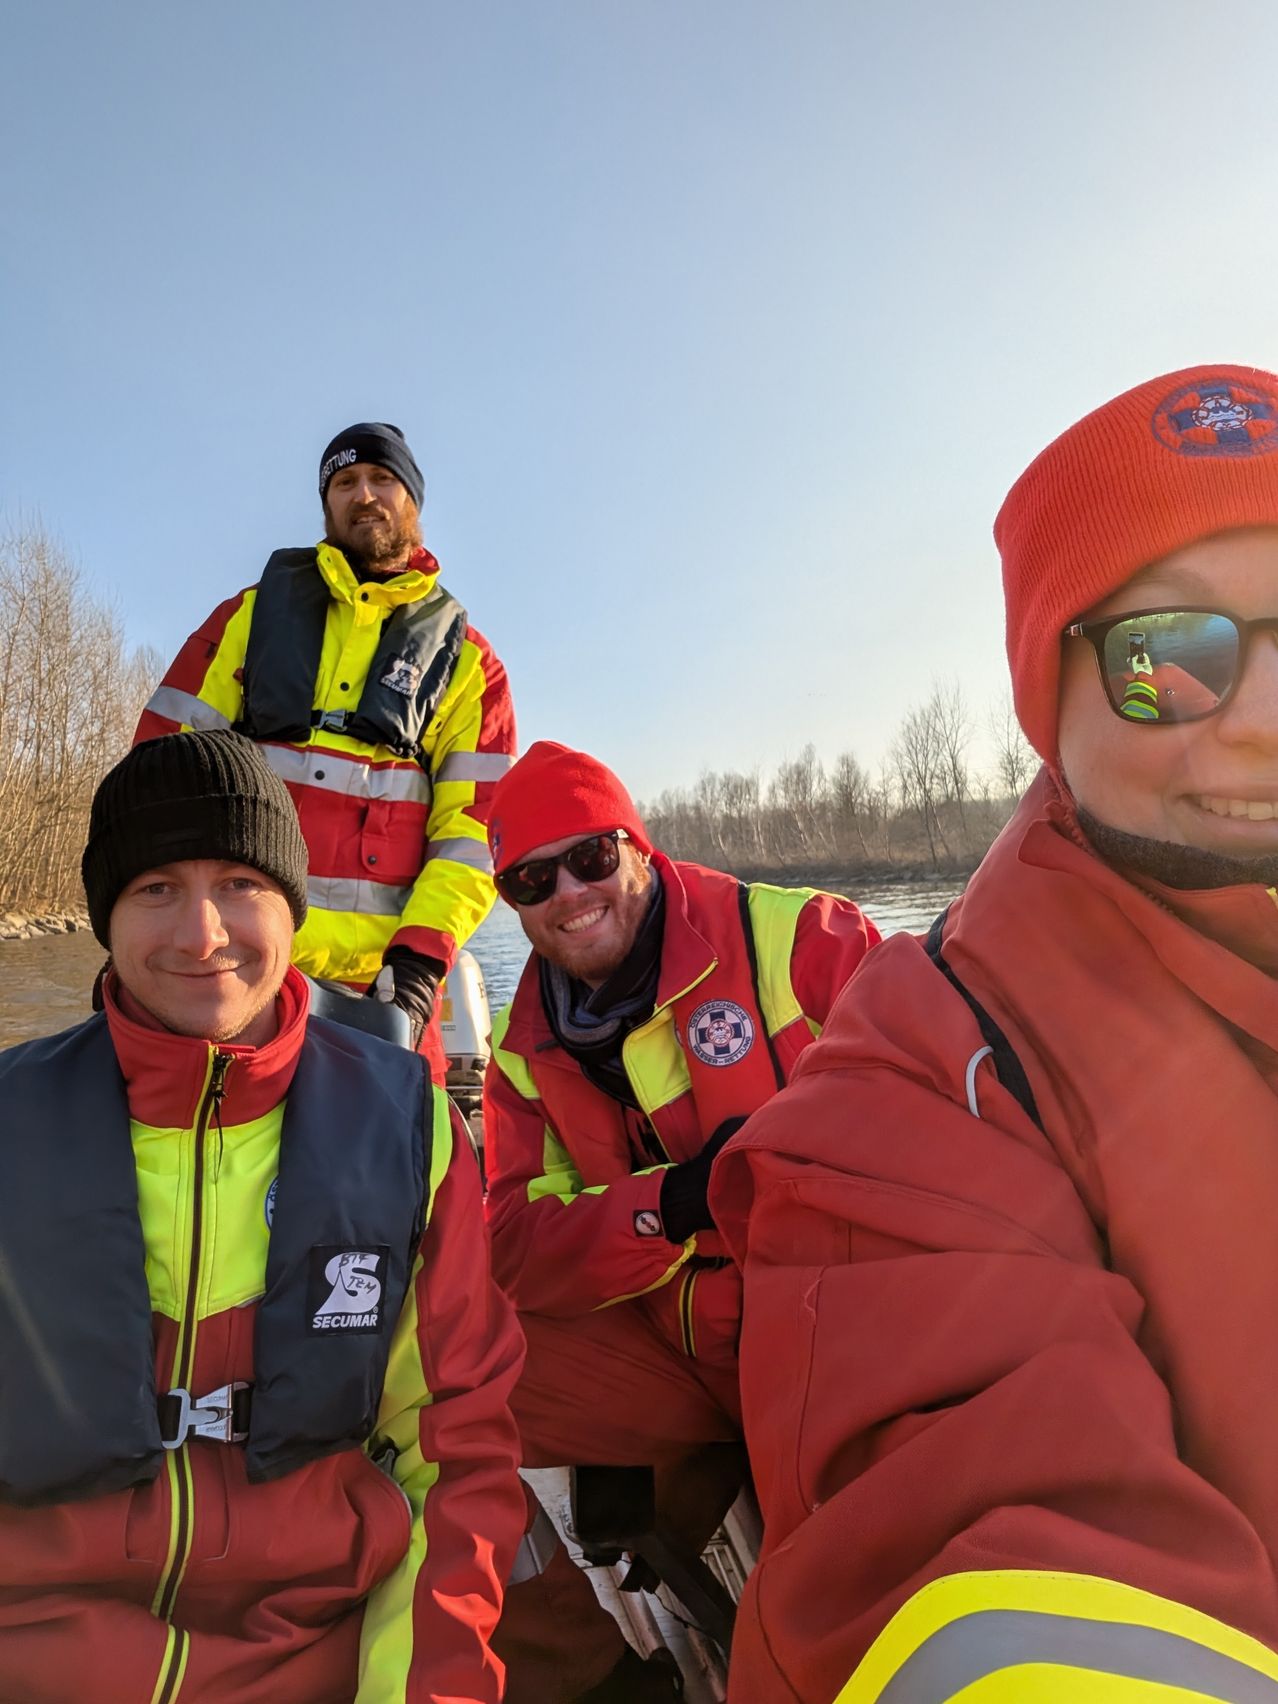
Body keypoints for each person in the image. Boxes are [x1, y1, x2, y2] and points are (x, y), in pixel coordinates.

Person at [709, 365, 1278, 1702]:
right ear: (1048, 691)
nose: (1256, 719)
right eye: (1167, 657)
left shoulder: (764, 940)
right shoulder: (917, 1068)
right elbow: (1000, 1589)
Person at [0, 729, 525, 1703]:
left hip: (310, 1658)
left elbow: (456, 1457)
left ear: (292, 904)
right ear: (105, 915)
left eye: (240, 883)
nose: (203, 933)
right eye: (156, 888)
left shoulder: (409, 1130)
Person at [481, 739, 881, 1703]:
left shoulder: (803, 940)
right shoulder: (521, 1054)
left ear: (638, 849)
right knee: (434, 1387)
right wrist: (669, 1205)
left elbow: (952, 1099)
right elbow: (513, 1245)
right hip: (680, 1356)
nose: (570, 893)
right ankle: (600, 1675)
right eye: (533, 879)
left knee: (845, 1585)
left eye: (589, 858)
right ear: (511, 904)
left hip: (848, 1343)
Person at [136, 422, 515, 1078]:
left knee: (406, 1171)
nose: (363, 494)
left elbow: (472, 837)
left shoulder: (472, 666)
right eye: (343, 482)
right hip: (230, 978)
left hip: (384, 993)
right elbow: (159, 777)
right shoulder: (247, 618)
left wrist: (420, 964)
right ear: (327, 506)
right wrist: (141, 936)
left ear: (412, 502)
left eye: (382, 479)